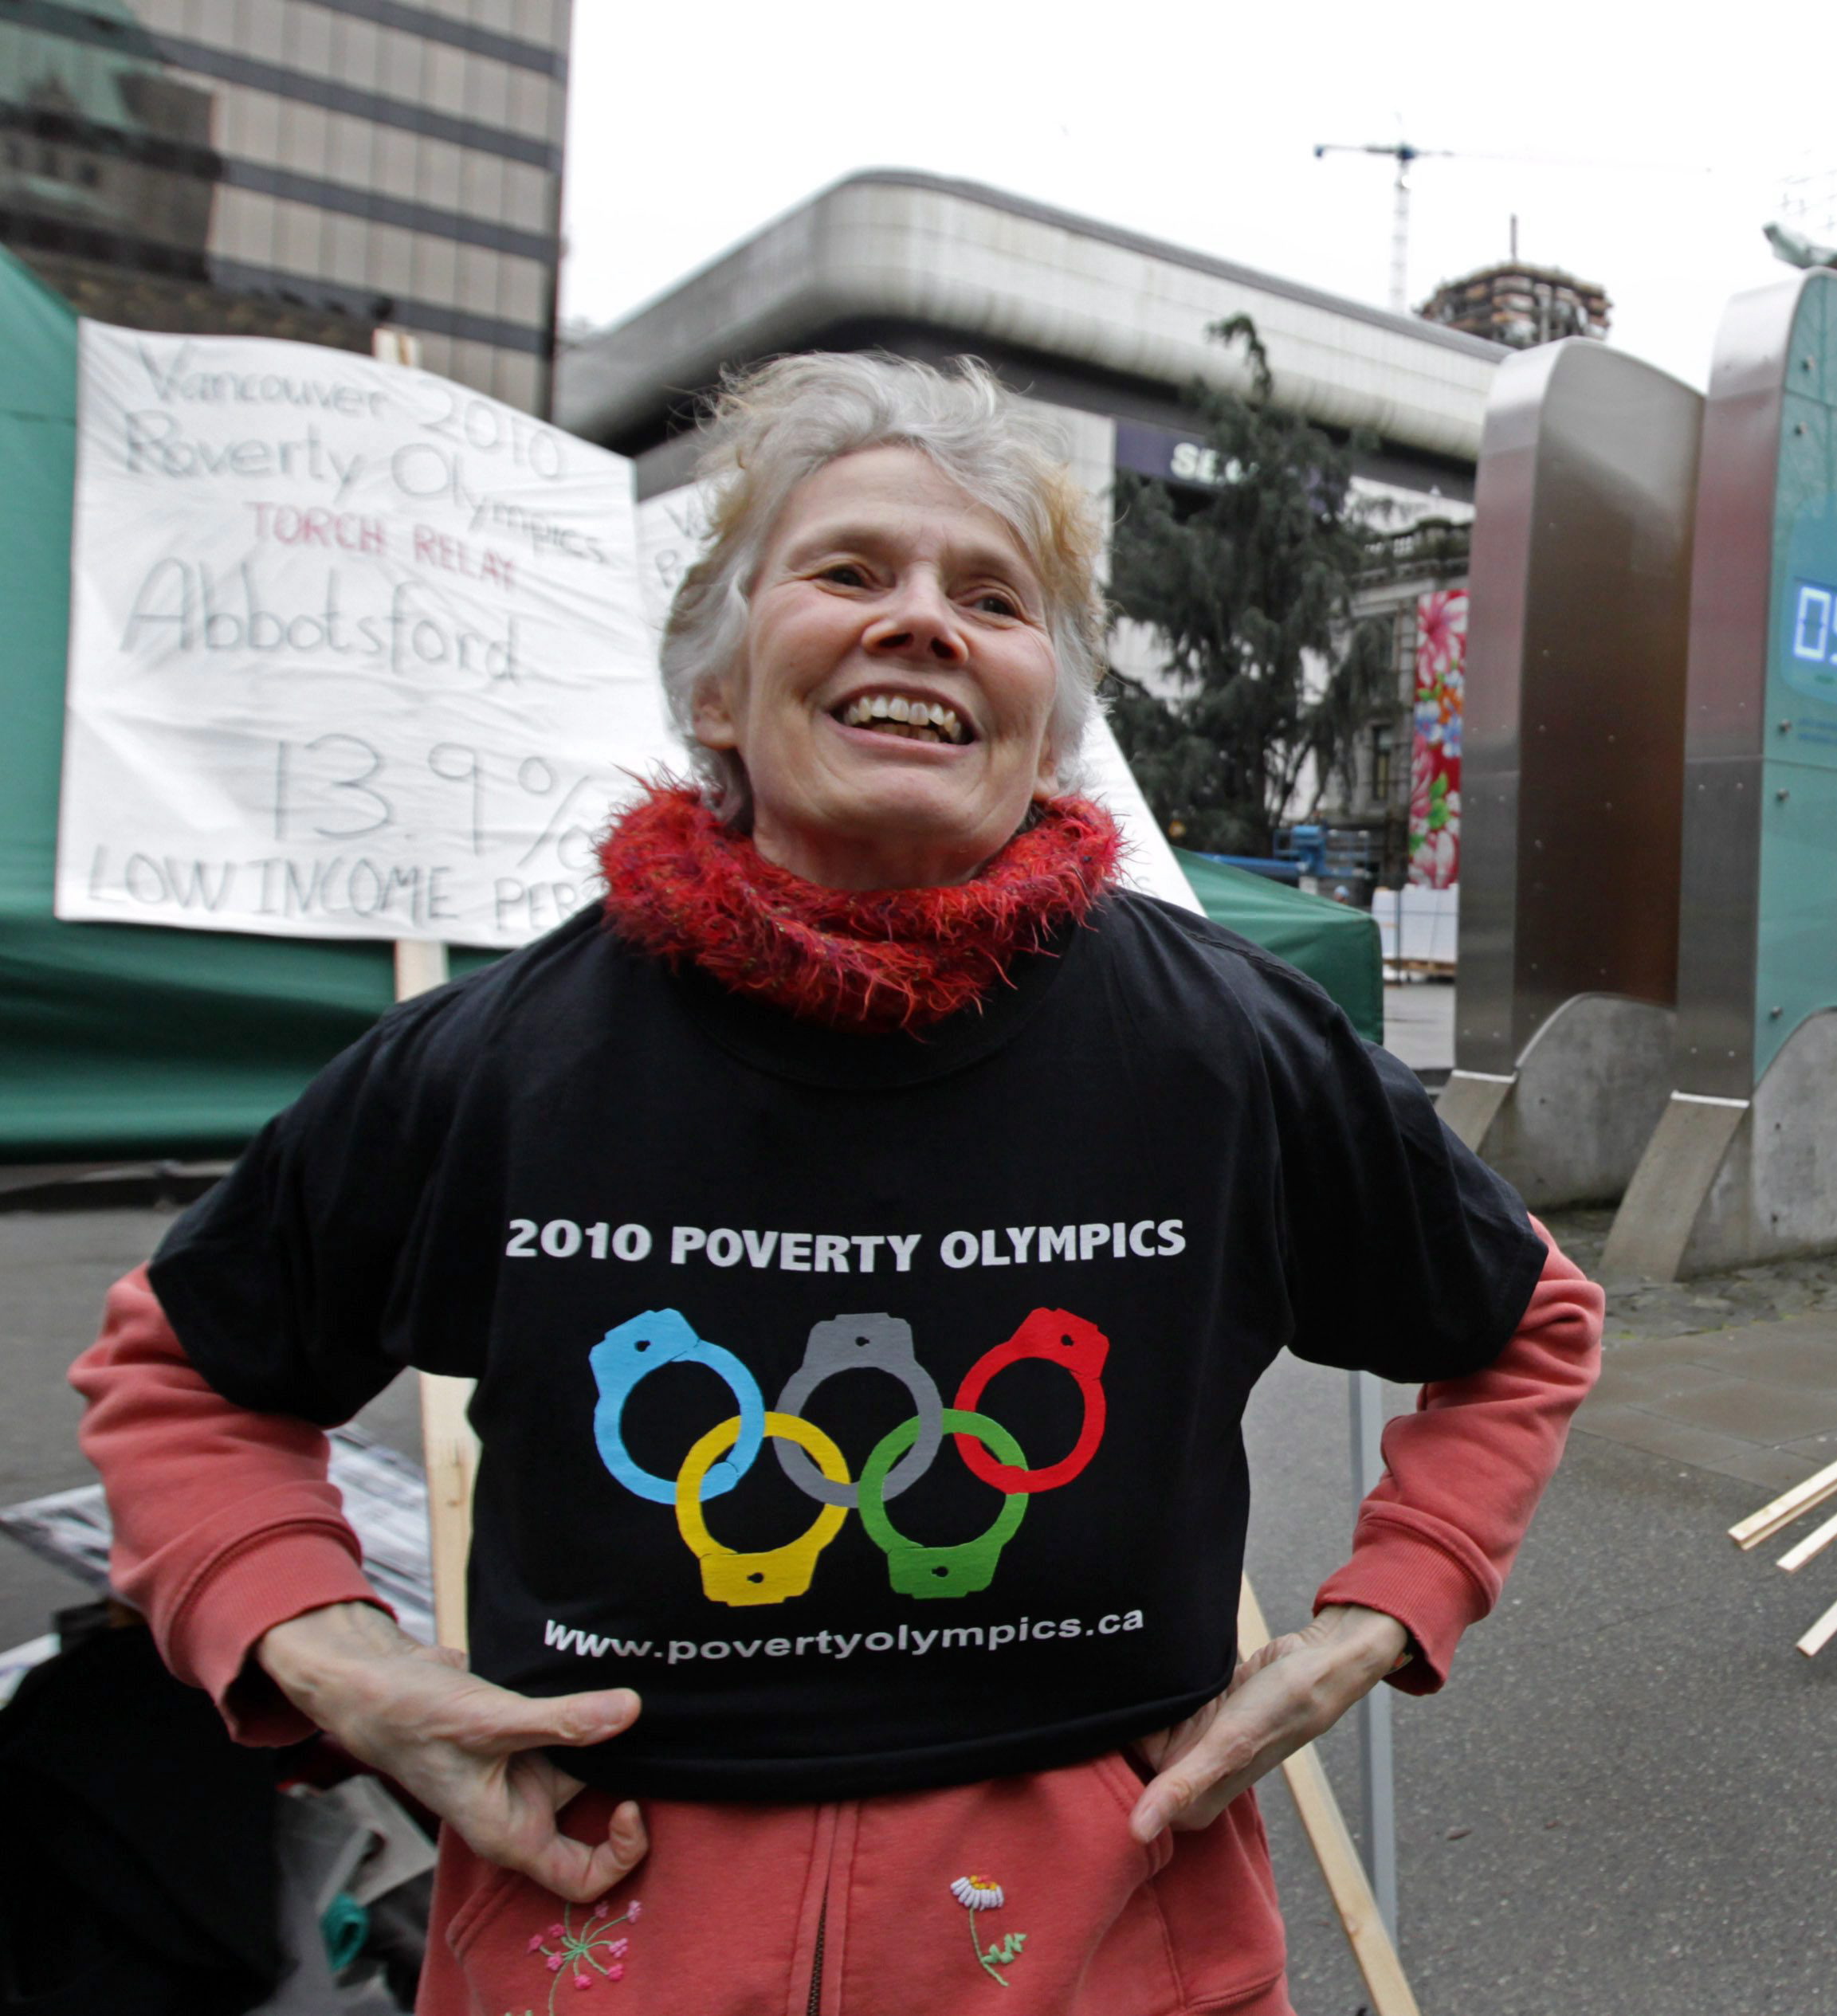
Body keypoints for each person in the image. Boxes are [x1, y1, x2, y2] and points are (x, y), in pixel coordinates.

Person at [71, 351, 1602, 2014]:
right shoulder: (500, 1061)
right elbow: (185, 1377)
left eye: (993, 598)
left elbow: (1523, 1322)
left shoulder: (1222, 1047)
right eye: (850, 570)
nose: (923, 619)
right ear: (717, 690)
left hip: (1101, 1956)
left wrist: (1386, 1607)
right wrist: (312, 1639)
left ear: (1048, 726)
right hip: (597, 1943)